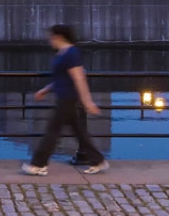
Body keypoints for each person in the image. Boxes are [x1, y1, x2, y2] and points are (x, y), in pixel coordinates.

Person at [22, 24, 108, 176]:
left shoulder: (71, 53)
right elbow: (61, 78)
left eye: (52, 36)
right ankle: (98, 160)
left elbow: (78, 78)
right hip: (63, 96)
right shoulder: (63, 53)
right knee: (79, 131)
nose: (50, 40)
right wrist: (45, 90)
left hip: (68, 98)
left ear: (59, 37)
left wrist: (87, 101)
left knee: (53, 131)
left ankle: (38, 164)